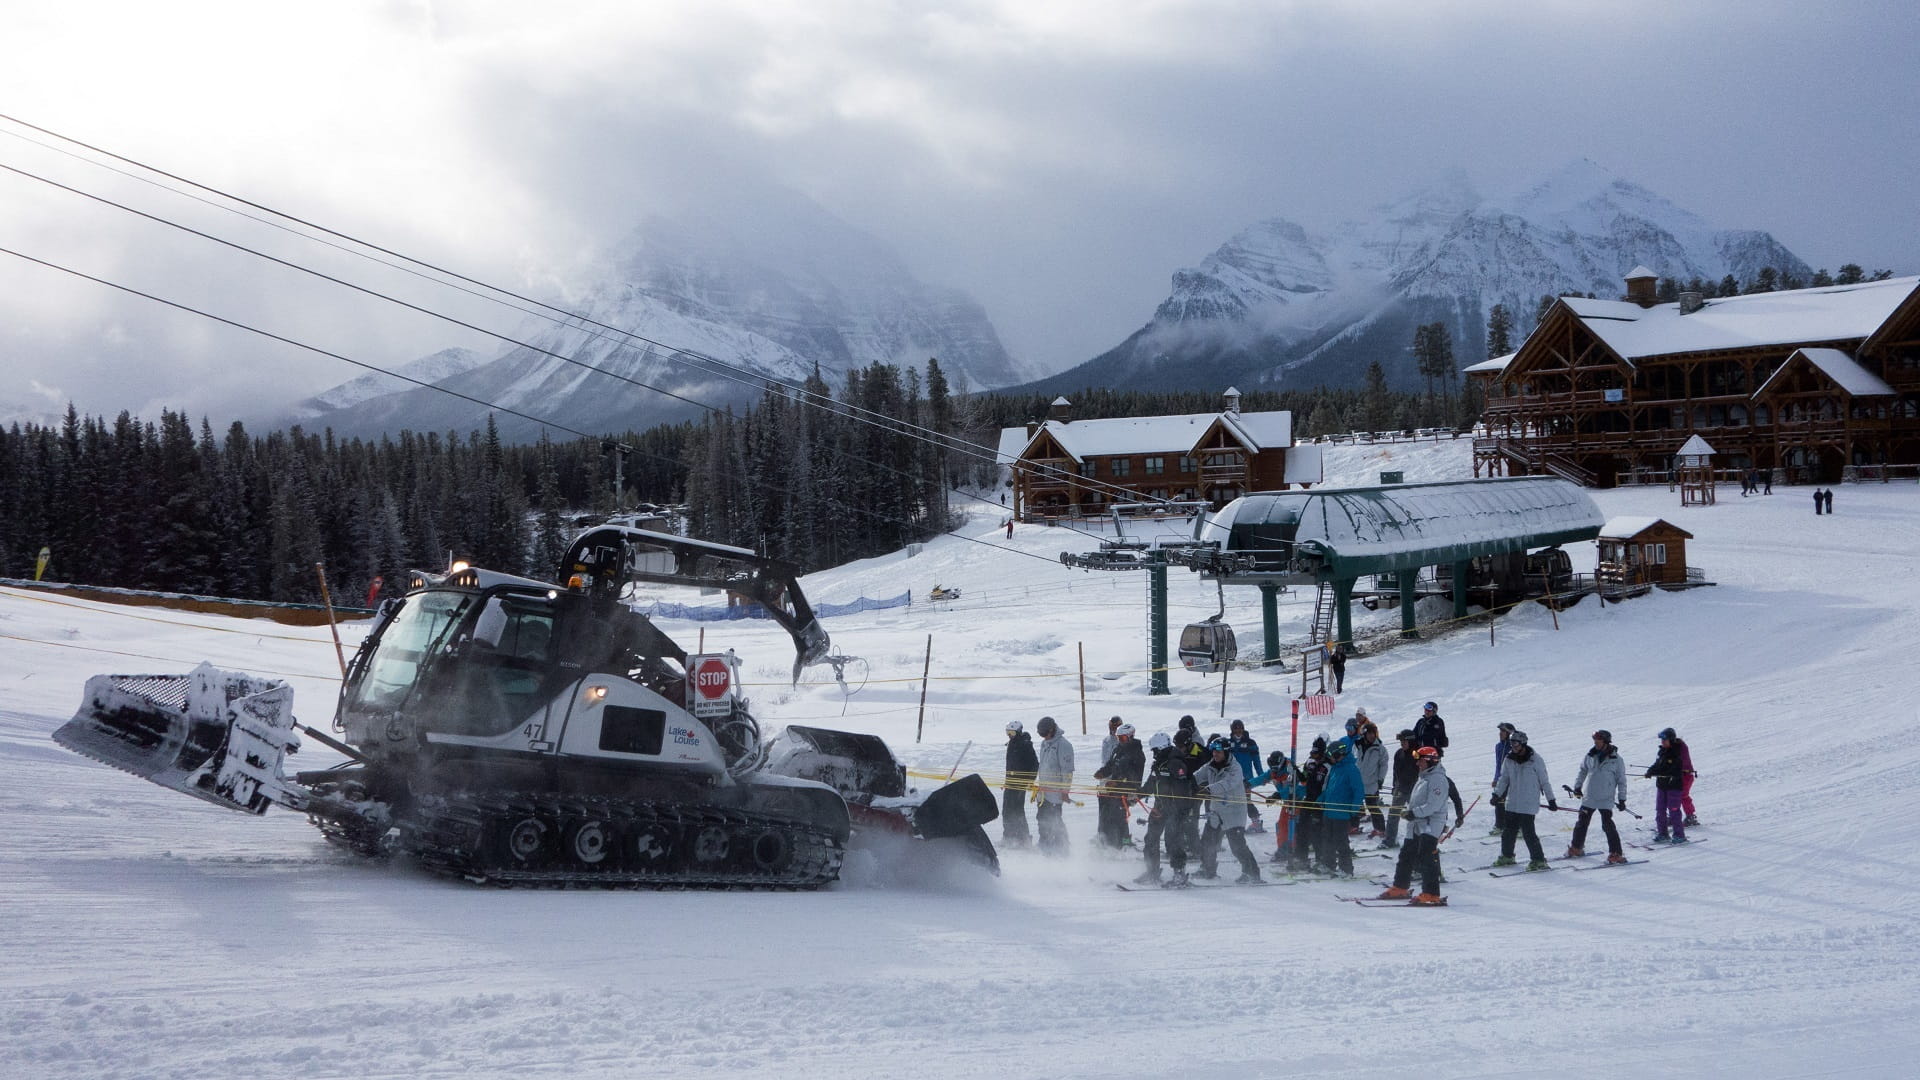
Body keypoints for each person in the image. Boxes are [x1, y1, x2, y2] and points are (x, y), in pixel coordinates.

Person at [1378, 746, 1449, 904]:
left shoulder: (1438, 779)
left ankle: (1431, 893)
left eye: (1421, 761)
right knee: (1406, 854)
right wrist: (1410, 812)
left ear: (1430, 761)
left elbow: (1433, 805)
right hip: (1417, 823)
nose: (1418, 764)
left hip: (1431, 824)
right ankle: (1400, 887)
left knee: (1426, 857)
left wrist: (1414, 813)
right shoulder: (1424, 777)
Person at [1194, 737, 1264, 883]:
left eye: (1218, 751)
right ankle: (1208, 869)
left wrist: (1208, 790)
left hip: (1234, 812)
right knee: (1207, 841)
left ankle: (1252, 873)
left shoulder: (1235, 768)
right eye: (1214, 751)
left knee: (1237, 846)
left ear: (1226, 752)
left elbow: (1227, 784)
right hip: (1217, 811)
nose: (1215, 754)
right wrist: (1187, 782)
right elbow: (1197, 776)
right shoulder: (1211, 765)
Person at [1137, 732, 1198, 887]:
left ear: (1162, 748)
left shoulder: (1175, 763)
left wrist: (1176, 810)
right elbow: (1151, 783)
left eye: (1155, 751)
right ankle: (1152, 871)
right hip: (1161, 806)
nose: (1154, 754)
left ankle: (1179, 873)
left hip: (1176, 809)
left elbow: (1182, 790)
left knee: (1173, 841)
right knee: (1151, 838)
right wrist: (1137, 795)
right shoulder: (1159, 763)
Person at [1490, 729, 1555, 870]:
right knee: (1508, 832)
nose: (1513, 746)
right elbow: (1504, 779)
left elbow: (1544, 781)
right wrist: (1497, 794)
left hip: (1528, 803)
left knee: (1528, 833)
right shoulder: (1509, 759)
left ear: (1523, 743)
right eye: (1511, 743)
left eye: (1516, 743)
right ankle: (1507, 856)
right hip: (1513, 802)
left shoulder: (1535, 760)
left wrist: (1551, 800)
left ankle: (1538, 860)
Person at [1567, 729, 1629, 863]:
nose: (1595, 743)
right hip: (1589, 796)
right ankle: (1576, 847)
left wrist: (1622, 798)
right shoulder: (1590, 755)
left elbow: (1621, 780)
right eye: (1594, 741)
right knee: (1581, 823)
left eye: (1598, 741)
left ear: (1606, 742)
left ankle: (1616, 854)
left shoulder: (1617, 760)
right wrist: (1577, 786)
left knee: (1608, 826)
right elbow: (1582, 770)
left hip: (1605, 798)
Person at [1094, 721, 1144, 849]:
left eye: (1122, 738)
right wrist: (1102, 772)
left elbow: (1135, 776)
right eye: (1118, 738)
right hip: (1114, 787)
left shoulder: (1136, 753)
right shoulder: (1118, 749)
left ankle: (1124, 843)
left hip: (1127, 788)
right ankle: (1106, 840)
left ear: (1130, 737)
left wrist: (1118, 782)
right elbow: (1111, 765)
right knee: (1106, 814)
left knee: (1118, 817)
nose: (1120, 740)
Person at [1317, 738, 1363, 876]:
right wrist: (1321, 799)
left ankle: (1346, 869)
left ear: (1339, 755)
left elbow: (1358, 791)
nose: (1330, 759)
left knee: (1341, 841)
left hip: (1341, 814)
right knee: (1327, 840)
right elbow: (1330, 788)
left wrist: (1354, 811)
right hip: (1329, 811)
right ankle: (1328, 864)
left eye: (1332, 756)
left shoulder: (1351, 769)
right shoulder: (1335, 769)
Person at [1033, 716, 1075, 856]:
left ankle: (1062, 847)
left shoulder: (1064, 745)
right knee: (1042, 819)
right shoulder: (1044, 744)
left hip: (1055, 792)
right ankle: (1045, 844)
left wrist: (1065, 791)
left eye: (1045, 734)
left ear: (1052, 729)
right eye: (1041, 735)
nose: (1043, 737)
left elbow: (1067, 771)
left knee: (1055, 820)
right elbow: (1043, 766)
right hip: (1043, 792)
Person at [1645, 727, 1689, 843]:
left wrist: (1659, 772)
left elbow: (1673, 769)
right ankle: (1663, 833)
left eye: (1664, 739)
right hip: (1662, 785)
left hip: (1673, 786)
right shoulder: (1662, 751)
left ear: (1671, 739)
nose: (1662, 742)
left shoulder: (1676, 753)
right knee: (1660, 810)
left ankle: (1679, 835)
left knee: (1674, 810)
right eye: (1661, 740)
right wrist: (1650, 771)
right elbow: (1657, 764)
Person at [1002, 720, 1038, 849]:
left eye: (1011, 732)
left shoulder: (1025, 745)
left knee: (1017, 812)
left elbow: (1035, 764)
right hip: (1010, 783)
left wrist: (1030, 781)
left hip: (1020, 784)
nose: (1009, 735)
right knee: (1006, 811)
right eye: (1007, 732)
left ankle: (1023, 839)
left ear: (1018, 732)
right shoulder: (1012, 743)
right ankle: (1009, 838)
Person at [1226, 720, 1264, 833]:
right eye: (1236, 729)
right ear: (1232, 730)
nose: (1238, 731)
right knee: (1231, 802)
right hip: (1231, 777)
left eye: (1240, 728)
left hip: (1246, 778)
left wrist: (1261, 776)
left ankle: (1256, 823)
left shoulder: (1250, 743)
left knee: (1246, 801)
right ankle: (1232, 826)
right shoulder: (1228, 743)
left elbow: (1256, 761)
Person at [1382, 729, 1418, 849]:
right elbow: (1395, 771)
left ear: (1411, 741)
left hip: (1414, 789)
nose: (1402, 743)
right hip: (1400, 788)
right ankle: (1390, 840)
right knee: (1393, 815)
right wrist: (1394, 786)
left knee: (1418, 816)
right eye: (1401, 741)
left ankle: (1425, 843)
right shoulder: (1399, 753)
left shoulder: (1417, 754)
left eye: (1404, 741)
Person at [1354, 720, 1389, 837]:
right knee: (1355, 805)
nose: (1371, 736)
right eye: (1369, 733)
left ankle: (1380, 828)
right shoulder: (1357, 745)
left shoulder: (1379, 748)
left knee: (1372, 806)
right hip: (1358, 781)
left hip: (1371, 782)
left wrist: (1380, 779)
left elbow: (1384, 765)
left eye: (1373, 733)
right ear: (1364, 734)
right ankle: (1353, 826)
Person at [1491, 722, 1515, 836]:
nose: (1500, 734)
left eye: (1503, 731)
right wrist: (1496, 778)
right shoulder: (1498, 746)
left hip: (1513, 780)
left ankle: (1518, 827)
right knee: (1499, 801)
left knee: (1513, 804)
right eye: (1500, 731)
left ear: (1509, 734)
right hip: (1502, 779)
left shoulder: (1514, 746)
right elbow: (1498, 765)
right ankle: (1500, 825)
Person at [1673, 729, 1700, 827]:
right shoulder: (1673, 748)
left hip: (1686, 776)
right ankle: (1674, 816)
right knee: (1672, 795)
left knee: (1682, 796)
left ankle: (1690, 816)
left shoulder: (1681, 747)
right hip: (1679, 776)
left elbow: (1682, 762)